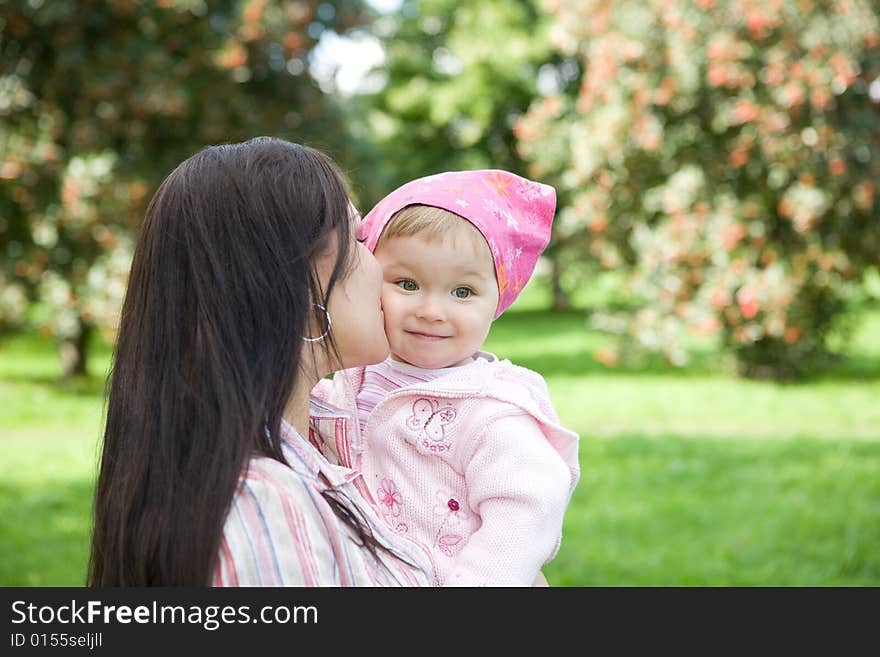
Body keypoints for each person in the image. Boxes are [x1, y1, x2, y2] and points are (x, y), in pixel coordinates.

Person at [88, 137, 437, 586]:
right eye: (360, 238)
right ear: (303, 282)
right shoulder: (265, 507)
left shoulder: (321, 446)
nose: (381, 268)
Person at [313, 170, 581, 586]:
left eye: (462, 292)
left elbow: (526, 508)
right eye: (407, 283)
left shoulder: (489, 410)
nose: (431, 310)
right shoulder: (352, 377)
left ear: (498, 300)